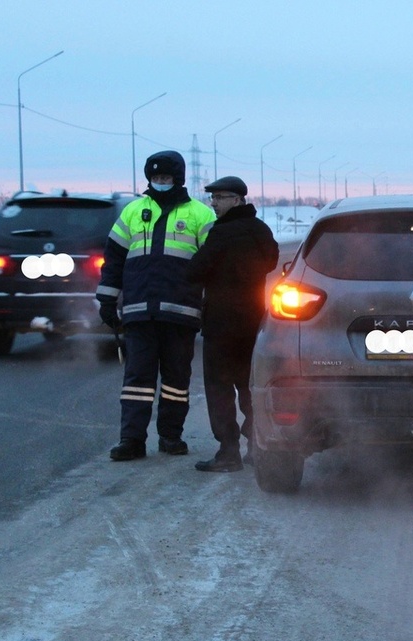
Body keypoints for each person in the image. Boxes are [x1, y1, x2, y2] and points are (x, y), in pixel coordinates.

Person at [97, 151, 216, 461]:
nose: (161, 183)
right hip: (139, 312)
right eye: (156, 178)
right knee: (137, 379)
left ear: (178, 179)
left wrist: (212, 305)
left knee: (176, 380)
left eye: (166, 178)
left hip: (181, 313)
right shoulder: (134, 212)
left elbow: (215, 264)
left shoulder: (200, 215)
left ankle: (170, 436)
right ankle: (132, 440)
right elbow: (114, 260)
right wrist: (107, 299)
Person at [188, 176, 280, 473]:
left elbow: (195, 270)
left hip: (221, 324)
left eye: (219, 198)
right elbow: (271, 261)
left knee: (219, 387)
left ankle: (228, 452)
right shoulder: (260, 230)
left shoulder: (222, 232)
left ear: (237, 200)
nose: (213, 203)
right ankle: (256, 445)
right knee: (250, 386)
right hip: (254, 321)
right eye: (213, 198)